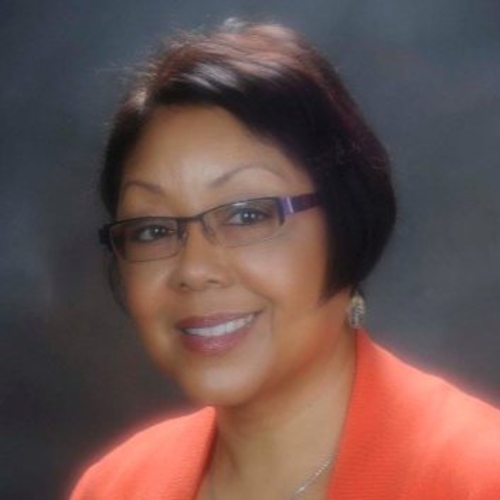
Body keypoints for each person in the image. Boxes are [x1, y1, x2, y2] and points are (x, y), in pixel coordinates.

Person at [70, 18, 500, 500]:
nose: (194, 269)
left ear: (346, 220)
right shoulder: (113, 487)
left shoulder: (481, 478)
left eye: (247, 215)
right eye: (153, 230)